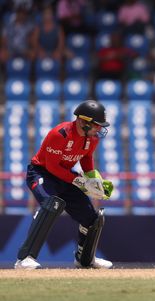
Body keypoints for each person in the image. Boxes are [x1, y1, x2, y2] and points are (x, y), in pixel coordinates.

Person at [14, 100, 114, 270]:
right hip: (41, 173)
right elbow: (52, 167)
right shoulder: (60, 134)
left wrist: (92, 178)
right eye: (96, 125)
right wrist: (80, 181)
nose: (99, 129)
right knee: (50, 205)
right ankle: (24, 259)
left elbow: (86, 157)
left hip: (65, 176)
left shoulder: (92, 139)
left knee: (92, 217)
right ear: (83, 121)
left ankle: (85, 260)